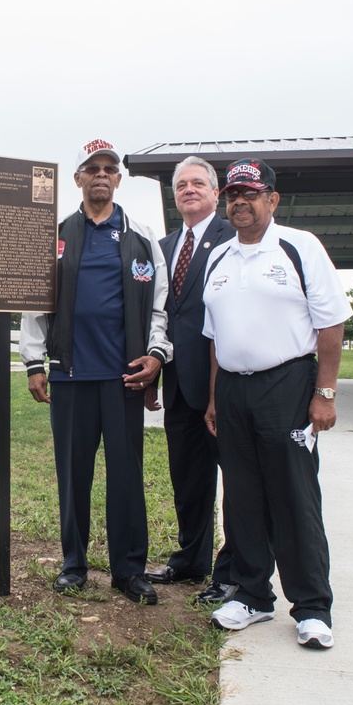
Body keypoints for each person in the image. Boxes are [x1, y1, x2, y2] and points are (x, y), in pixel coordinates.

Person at [203, 159, 351, 649]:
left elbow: (330, 326)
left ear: (272, 199)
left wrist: (323, 394)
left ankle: (311, 606)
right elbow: (214, 338)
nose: (239, 201)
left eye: (250, 192)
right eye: (232, 194)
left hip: (287, 384)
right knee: (242, 495)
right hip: (233, 390)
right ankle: (251, 596)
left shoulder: (298, 246)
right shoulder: (219, 257)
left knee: (292, 495)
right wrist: (213, 399)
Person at [20, 139, 170, 605]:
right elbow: (34, 306)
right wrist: (33, 362)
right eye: (92, 168)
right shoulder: (56, 235)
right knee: (74, 475)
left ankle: (129, 571)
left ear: (118, 179)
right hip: (69, 375)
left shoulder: (142, 237)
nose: (101, 175)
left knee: (125, 475)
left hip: (124, 378)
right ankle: (74, 565)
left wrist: (156, 354)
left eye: (109, 168)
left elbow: (160, 307)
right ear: (78, 178)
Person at [144, 157, 236, 604]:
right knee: (188, 478)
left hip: (226, 385)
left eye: (198, 183)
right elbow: (159, 313)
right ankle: (191, 559)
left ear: (215, 192)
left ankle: (233, 569)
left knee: (236, 481)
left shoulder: (235, 237)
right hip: (178, 383)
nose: (189, 190)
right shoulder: (161, 247)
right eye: (181, 185)